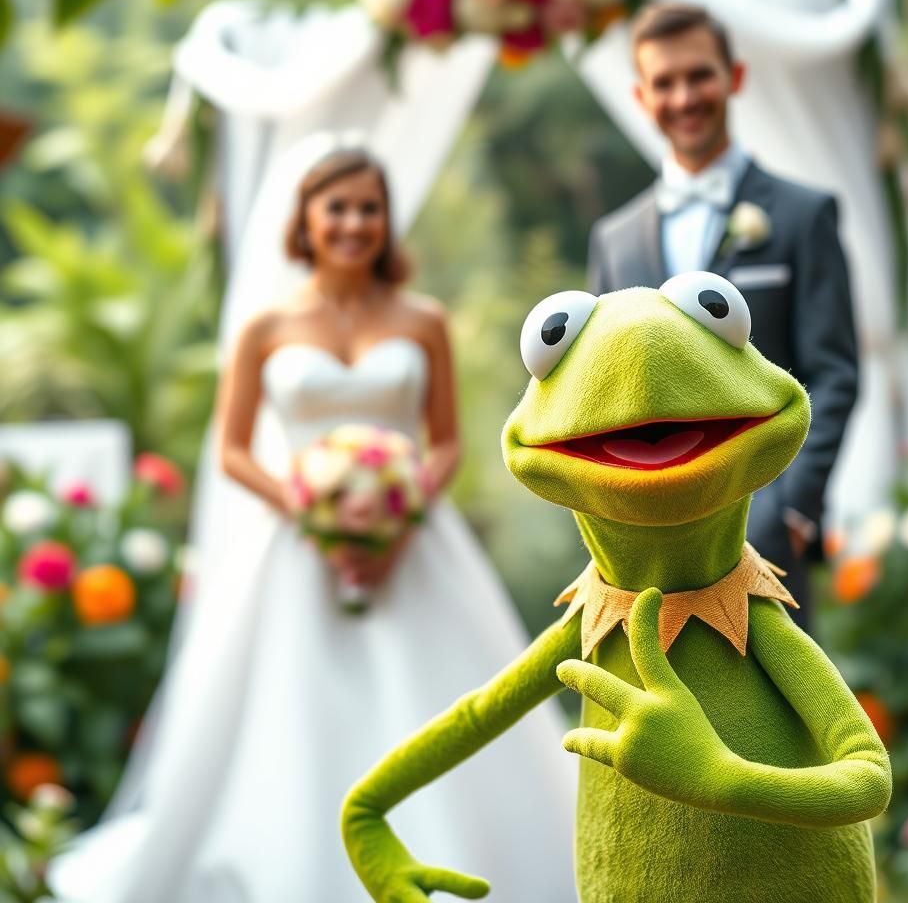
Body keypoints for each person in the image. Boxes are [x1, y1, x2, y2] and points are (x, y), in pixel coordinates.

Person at [49, 147, 576, 902]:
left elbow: (450, 440)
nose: (354, 223)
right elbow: (230, 450)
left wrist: (402, 513)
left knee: (443, 706)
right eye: (337, 207)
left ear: (388, 220)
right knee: (292, 719)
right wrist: (311, 511)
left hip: (414, 546)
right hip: (295, 545)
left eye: (369, 207)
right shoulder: (266, 325)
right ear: (305, 220)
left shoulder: (422, 320)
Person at [587, 3, 858, 630]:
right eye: (664, 82)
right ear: (640, 95)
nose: (684, 97)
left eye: (699, 75)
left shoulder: (802, 215)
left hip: (767, 532)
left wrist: (791, 507)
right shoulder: (614, 239)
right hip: (643, 549)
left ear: (734, 78)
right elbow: (599, 396)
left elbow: (834, 373)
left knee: (779, 717)